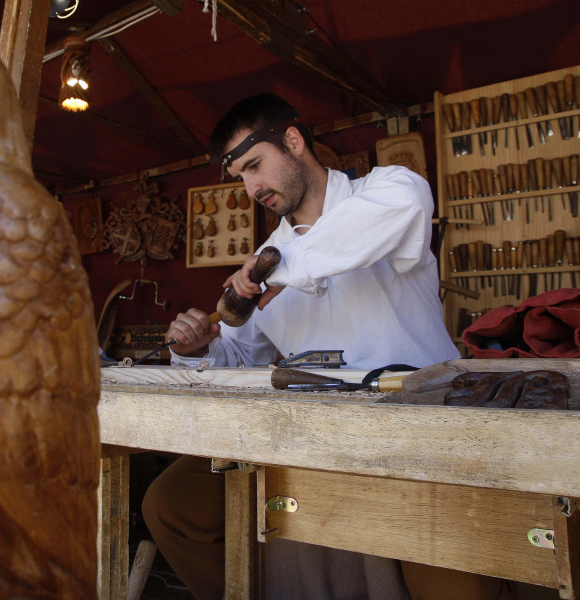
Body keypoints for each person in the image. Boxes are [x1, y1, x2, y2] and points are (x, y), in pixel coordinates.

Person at [141, 93, 517, 599]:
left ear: (293, 142)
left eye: (256, 166)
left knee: (454, 580)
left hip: (414, 424)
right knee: (173, 503)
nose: (252, 188)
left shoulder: (386, 191)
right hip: (304, 431)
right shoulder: (261, 266)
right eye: (241, 178)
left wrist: (279, 267)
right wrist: (197, 350)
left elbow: (398, 209)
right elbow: (239, 356)